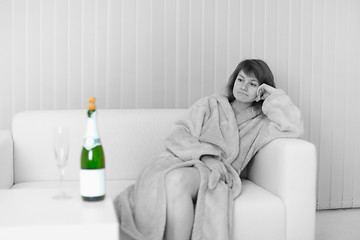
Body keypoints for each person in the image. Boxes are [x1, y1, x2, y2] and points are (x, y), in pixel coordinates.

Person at [114, 59, 303, 240]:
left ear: (261, 90)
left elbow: (293, 126)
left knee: (175, 180)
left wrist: (273, 96)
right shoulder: (210, 104)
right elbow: (179, 132)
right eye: (240, 79)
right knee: (163, 179)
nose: (244, 87)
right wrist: (205, 156)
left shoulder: (261, 123)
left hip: (218, 173)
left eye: (253, 84)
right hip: (186, 160)